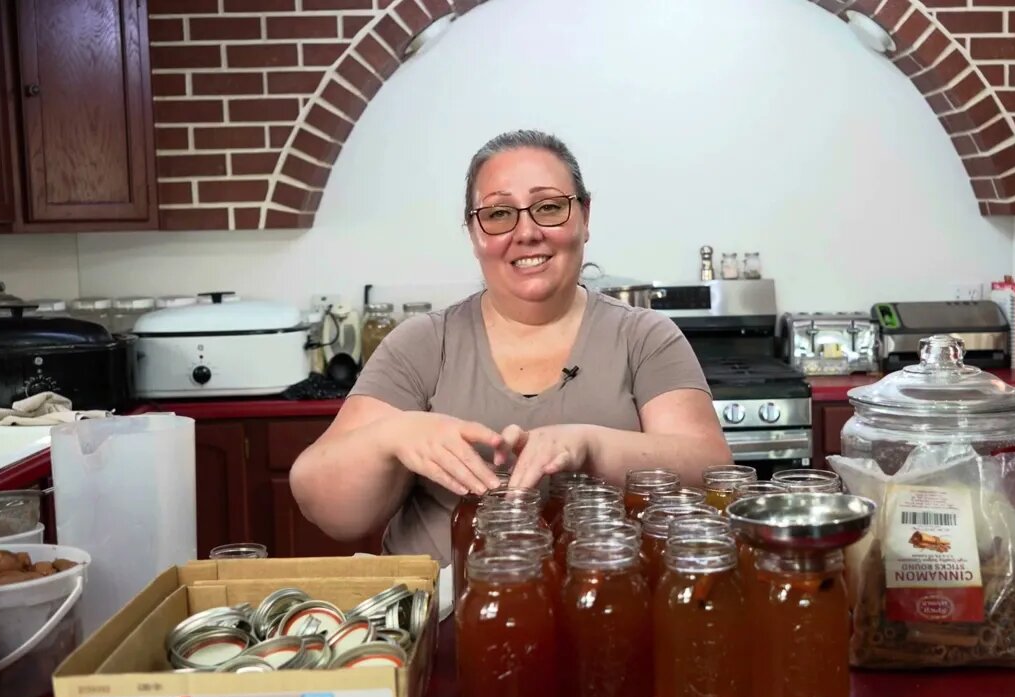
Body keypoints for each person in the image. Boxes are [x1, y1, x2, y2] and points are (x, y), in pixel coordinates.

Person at [289, 129, 731, 562]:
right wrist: (391, 435)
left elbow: (710, 472)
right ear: (474, 232)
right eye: (499, 214)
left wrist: (591, 446)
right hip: (447, 623)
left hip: (611, 611)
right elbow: (330, 510)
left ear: (585, 217)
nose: (526, 232)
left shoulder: (644, 336)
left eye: (549, 207)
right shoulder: (423, 343)